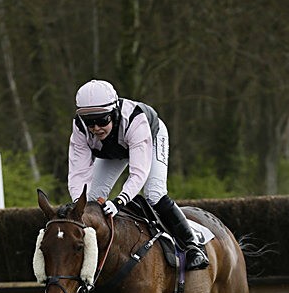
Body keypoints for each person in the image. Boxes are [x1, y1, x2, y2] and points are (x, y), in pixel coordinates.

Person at [68, 79, 209, 270]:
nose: (96, 128)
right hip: (113, 151)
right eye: (89, 122)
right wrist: (79, 205)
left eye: (102, 120)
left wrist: (119, 201)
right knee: (90, 200)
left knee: (154, 194)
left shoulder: (135, 120)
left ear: (115, 112)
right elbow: (78, 174)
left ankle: (192, 246)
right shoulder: (79, 128)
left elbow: (138, 173)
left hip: (150, 137)